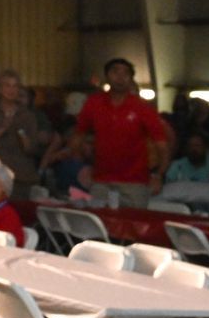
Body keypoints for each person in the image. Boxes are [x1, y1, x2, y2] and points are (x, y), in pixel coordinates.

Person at [72, 58, 169, 208]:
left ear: (131, 79)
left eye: (125, 73)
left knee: (133, 221)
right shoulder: (93, 103)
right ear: (107, 76)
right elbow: (78, 136)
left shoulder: (142, 107)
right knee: (98, 220)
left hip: (135, 182)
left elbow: (162, 145)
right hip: (101, 180)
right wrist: (80, 165)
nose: (120, 77)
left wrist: (159, 175)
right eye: (115, 72)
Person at [0, 69, 49, 199]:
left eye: (15, 86)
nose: (11, 90)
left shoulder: (27, 115)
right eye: (7, 85)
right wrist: (3, 128)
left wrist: (20, 131)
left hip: (21, 177)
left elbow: (31, 149)